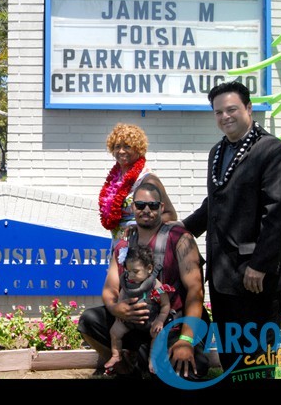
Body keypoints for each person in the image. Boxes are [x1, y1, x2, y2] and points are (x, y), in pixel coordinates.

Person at [181, 80, 281, 380]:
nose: (225, 117)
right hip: (223, 276)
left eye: (231, 109)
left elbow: (280, 212)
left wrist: (259, 264)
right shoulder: (217, 152)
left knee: (256, 358)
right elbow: (215, 203)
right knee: (232, 354)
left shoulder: (273, 151)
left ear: (248, 108)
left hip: (256, 277)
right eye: (218, 112)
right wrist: (182, 229)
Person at [78, 182, 210, 379]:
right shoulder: (123, 244)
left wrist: (185, 339)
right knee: (89, 321)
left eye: (153, 205)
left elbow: (195, 291)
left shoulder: (180, 239)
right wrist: (116, 308)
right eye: (140, 205)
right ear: (133, 208)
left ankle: (147, 360)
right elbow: (109, 289)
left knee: (190, 369)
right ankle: (123, 365)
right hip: (133, 323)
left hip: (170, 324)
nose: (146, 210)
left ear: (161, 207)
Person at [99, 123, 177, 252]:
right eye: (117, 146)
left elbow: (170, 214)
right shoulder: (115, 179)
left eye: (127, 146)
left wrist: (140, 226)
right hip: (118, 244)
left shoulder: (147, 179)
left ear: (138, 149)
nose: (121, 151)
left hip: (140, 246)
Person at [103, 244, 173, 375]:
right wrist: (119, 309)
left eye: (135, 271)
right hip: (130, 319)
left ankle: (153, 359)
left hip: (150, 320)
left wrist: (160, 320)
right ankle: (116, 354)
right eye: (128, 271)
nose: (131, 275)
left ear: (149, 269)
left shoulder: (156, 284)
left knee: (158, 335)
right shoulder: (128, 283)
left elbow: (165, 305)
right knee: (115, 331)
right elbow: (122, 296)